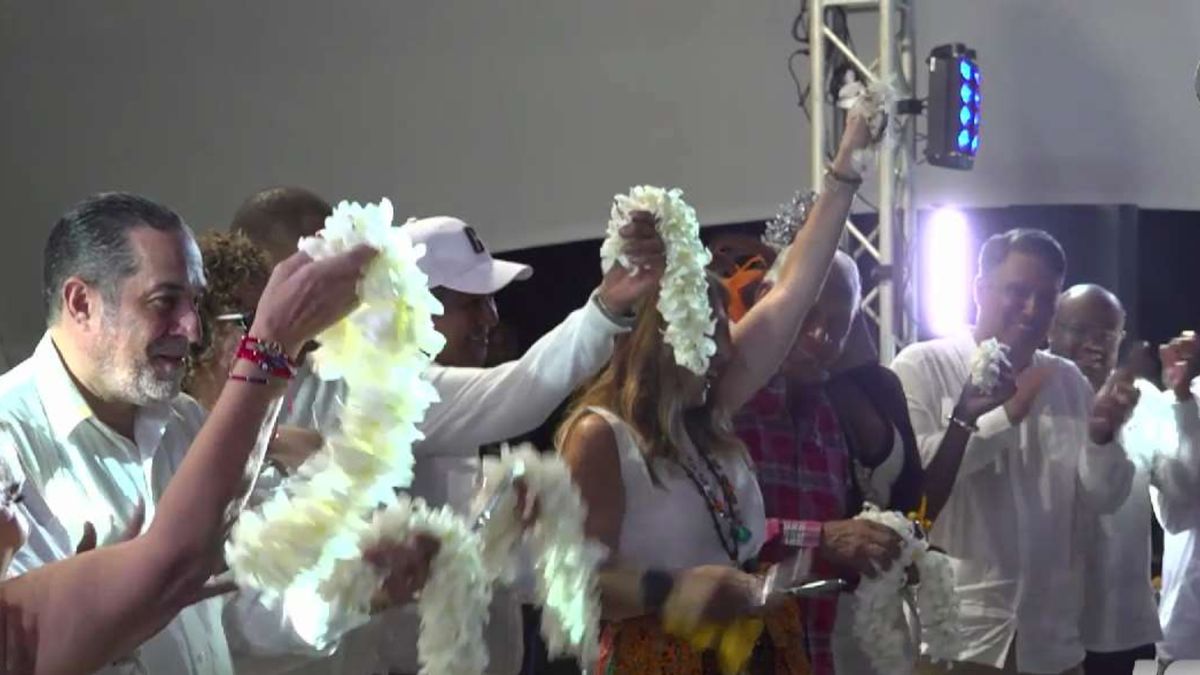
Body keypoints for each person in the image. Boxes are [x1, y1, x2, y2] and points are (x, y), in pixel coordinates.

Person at [0, 193, 437, 674]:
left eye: (197, 303)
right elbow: (60, 641)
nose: (191, 329)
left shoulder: (183, 421)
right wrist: (270, 348)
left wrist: (357, 593)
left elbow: (235, 610)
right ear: (82, 303)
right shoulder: (11, 441)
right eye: (165, 301)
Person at [271, 213, 665, 675]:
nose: (491, 319)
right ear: (413, 307)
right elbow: (523, 391)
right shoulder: (384, 389)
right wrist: (605, 309)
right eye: (471, 303)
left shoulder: (413, 397)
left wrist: (503, 526)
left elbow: (468, 562)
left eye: (491, 302)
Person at [557, 114, 873, 673]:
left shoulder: (709, 414)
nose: (729, 350)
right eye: (712, 334)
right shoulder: (600, 436)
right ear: (661, 337)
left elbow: (793, 293)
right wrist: (674, 589)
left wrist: (846, 169)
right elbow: (570, 586)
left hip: (749, 653)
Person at [892, 229, 1139, 675]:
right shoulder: (923, 366)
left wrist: (1102, 440)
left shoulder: (1068, 382)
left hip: (1054, 645)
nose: (1031, 310)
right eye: (1017, 292)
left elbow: (1103, 499)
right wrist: (1006, 415)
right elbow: (914, 483)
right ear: (979, 289)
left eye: (1046, 299)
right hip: (957, 640)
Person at [731, 248, 922, 675]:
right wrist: (822, 539)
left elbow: (827, 557)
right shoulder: (723, 405)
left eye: (838, 325)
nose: (821, 336)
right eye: (808, 314)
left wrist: (876, 562)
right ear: (767, 296)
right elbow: (711, 538)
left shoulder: (829, 416)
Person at [1048, 284, 1200, 675]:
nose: (1095, 345)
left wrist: (1181, 401)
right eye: (1081, 331)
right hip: (1041, 626)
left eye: (1107, 334)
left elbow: (1182, 502)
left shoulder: (1145, 400)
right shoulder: (1033, 394)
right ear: (1051, 328)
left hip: (1122, 628)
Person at [182, 231, 321, 472]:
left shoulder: (275, 438)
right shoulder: (163, 438)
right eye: (257, 321)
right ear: (203, 326)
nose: (275, 337)